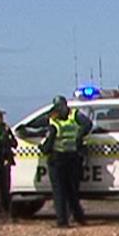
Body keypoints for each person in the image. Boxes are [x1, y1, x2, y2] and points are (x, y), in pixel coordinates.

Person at [40, 95, 92, 227]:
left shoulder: (55, 125)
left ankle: (62, 221)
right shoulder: (72, 121)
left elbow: (47, 147)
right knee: (72, 191)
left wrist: (41, 147)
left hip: (58, 160)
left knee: (59, 192)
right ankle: (80, 218)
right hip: (72, 157)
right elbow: (85, 126)